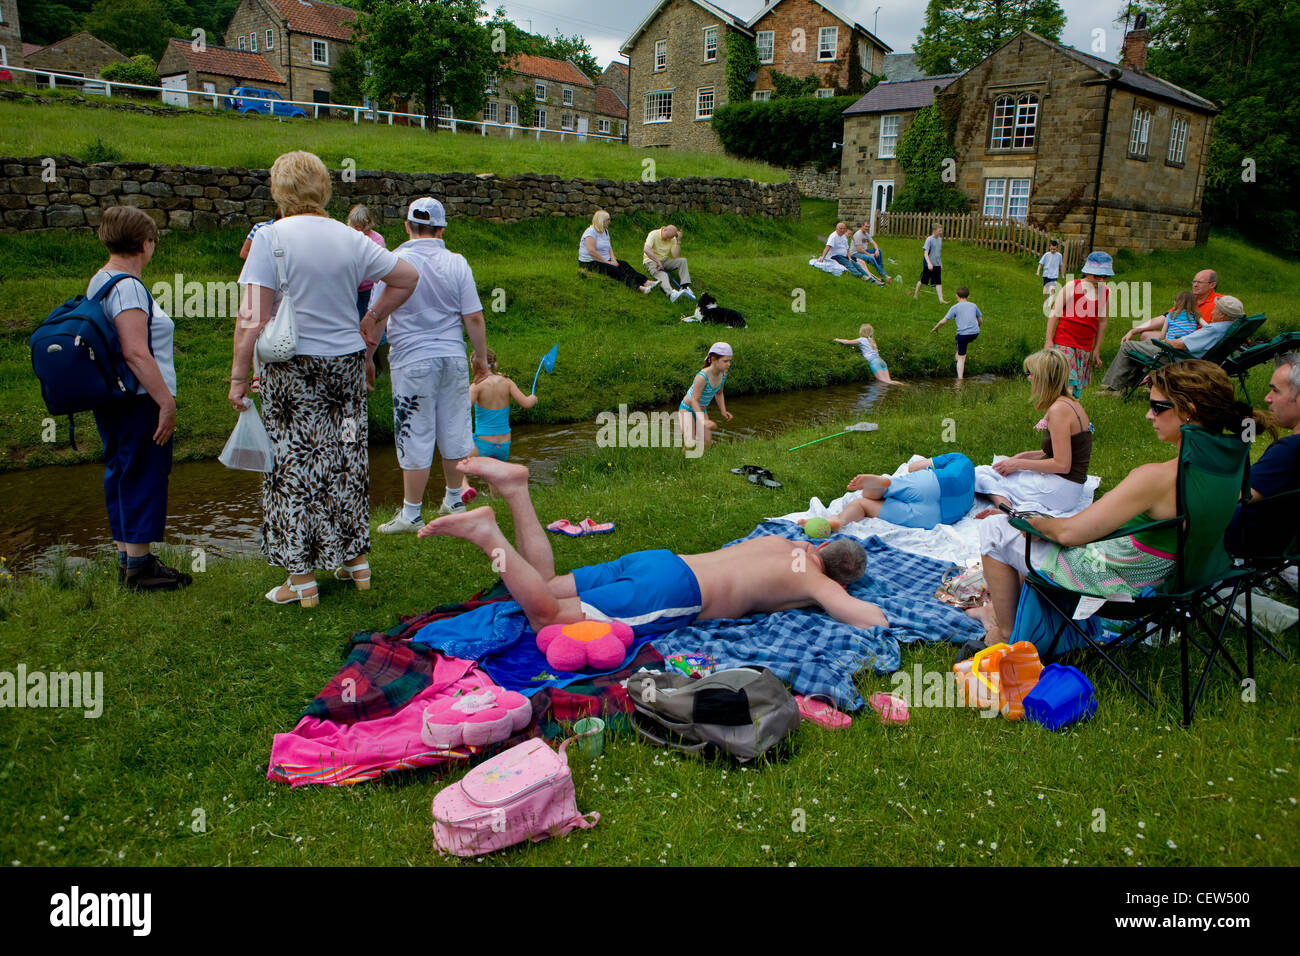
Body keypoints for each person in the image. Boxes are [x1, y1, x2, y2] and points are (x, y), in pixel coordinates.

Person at [230, 150, 418, 607]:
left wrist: (238, 377)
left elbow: (251, 320)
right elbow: (407, 276)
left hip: (290, 368)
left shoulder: (270, 239)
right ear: (324, 189)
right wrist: (372, 320)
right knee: (345, 460)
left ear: (279, 190)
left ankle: (302, 579)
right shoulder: (350, 237)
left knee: (291, 466)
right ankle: (356, 563)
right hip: (345, 367)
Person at [419, 457, 890, 633]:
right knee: (546, 617)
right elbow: (860, 615)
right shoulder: (811, 578)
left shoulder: (780, 540)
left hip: (659, 560)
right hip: (674, 593)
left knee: (546, 584)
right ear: (834, 573)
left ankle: (517, 489)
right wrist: (875, 611)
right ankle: (487, 533)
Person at [971, 360, 1262, 644]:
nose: (1149, 415)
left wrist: (1029, 523)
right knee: (1037, 534)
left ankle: (1005, 636)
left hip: (1116, 586)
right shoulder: (1231, 469)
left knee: (996, 528)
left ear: (1188, 412)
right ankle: (1024, 619)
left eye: (1158, 407)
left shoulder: (1157, 479)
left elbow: (1068, 534)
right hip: (1178, 582)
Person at [364, 196, 490, 533]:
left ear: (407, 226)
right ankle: (453, 497)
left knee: (414, 431)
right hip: (451, 357)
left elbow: (376, 316)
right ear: (442, 228)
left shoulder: (392, 262)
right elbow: (474, 317)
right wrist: (480, 357)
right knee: (454, 426)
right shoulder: (457, 262)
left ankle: (411, 513)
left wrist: (367, 358)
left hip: (412, 359)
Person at [88, 206, 189, 591]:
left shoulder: (100, 279)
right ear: (145, 244)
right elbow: (135, 351)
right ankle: (141, 569)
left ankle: (127, 559)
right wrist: (165, 401)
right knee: (144, 474)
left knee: (121, 472)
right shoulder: (128, 286)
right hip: (139, 398)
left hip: (113, 397)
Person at [973, 349, 1094, 517]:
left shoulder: (1059, 410)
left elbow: (1062, 465)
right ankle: (1008, 506)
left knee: (980, 474)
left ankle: (1007, 510)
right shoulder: (1070, 403)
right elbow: (1054, 452)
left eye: (1031, 373)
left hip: (1061, 491)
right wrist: (1021, 457)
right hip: (1070, 486)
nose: (1028, 377)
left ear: (1043, 377)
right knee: (999, 466)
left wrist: (1018, 464)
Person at [1095, 295, 1245, 395]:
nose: (1212, 311)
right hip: (1194, 358)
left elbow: (1180, 345)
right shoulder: (1226, 329)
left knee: (1129, 347)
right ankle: (1129, 382)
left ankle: (1113, 389)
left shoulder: (1213, 329)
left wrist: (1165, 341)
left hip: (1180, 359)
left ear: (1223, 315)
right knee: (1145, 345)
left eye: (1216, 309)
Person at [1225, 353, 1300, 554]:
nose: (1267, 398)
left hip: (1250, 549)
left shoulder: (1289, 452)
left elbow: (1232, 498)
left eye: (1275, 391)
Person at [805, 453, 975, 532]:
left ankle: (881, 486)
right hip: (937, 517)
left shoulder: (959, 458)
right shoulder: (970, 494)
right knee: (864, 505)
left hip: (934, 484)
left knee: (871, 495)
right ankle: (841, 519)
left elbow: (913, 467)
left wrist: (929, 462)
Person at [1045, 250, 1112, 398]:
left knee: (1075, 391)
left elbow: (1102, 321)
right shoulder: (1072, 286)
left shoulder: (1106, 292)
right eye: (1097, 276)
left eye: (1105, 277)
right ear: (1087, 272)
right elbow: (1054, 312)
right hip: (1065, 340)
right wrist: (1049, 339)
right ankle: (1055, 417)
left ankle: (1067, 417)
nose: (1100, 280)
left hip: (1084, 345)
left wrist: (1097, 349)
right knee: (1068, 382)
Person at [470, 348, 538, 462]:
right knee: (494, 476)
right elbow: (526, 403)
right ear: (495, 364)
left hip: (482, 444)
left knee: (457, 467)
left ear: (474, 366)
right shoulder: (507, 382)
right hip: (504, 445)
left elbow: (462, 410)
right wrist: (533, 399)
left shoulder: (476, 386)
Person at [579, 210, 657, 293]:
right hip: (590, 262)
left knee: (624, 264)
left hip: (605, 259)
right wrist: (607, 262)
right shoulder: (591, 232)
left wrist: (613, 259)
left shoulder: (605, 231)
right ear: (601, 220)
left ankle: (646, 282)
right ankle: (638, 287)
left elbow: (609, 247)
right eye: (608, 220)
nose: (609, 221)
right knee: (615, 270)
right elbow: (591, 252)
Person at [678, 342, 733, 453]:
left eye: (730, 361)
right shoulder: (702, 377)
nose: (729, 364)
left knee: (707, 443)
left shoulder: (723, 374)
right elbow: (694, 400)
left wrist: (723, 411)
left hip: (702, 410)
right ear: (713, 359)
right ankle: (681, 464)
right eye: (725, 361)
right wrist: (703, 420)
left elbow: (719, 393)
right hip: (687, 409)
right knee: (690, 442)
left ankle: (700, 464)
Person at [931, 286, 982, 379]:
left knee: (962, 357)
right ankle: (958, 354)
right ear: (968, 296)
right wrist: (978, 327)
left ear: (956, 296)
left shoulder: (955, 307)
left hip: (963, 335)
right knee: (959, 340)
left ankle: (960, 380)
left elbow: (944, 321)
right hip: (975, 333)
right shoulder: (974, 305)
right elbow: (980, 319)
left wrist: (935, 328)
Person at [348, 204, 388, 323]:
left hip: (369, 287)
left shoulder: (377, 240)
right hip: (352, 286)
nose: (356, 229)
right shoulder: (347, 237)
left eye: (358, 226)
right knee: (355, 317)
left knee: (370, 317)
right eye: (353, 226)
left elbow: (379, 263)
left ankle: (380, 339)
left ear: (366, 225)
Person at [1123, 290, 1200, 344]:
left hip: (1170, 348)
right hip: (1186, 349)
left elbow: (1161, 337)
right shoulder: (1196, 317)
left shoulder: (1170, 316)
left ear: (1176, 302)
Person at [643, 224, 692, 301]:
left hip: (664, 261)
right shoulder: (653, 234)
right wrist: (657, 261)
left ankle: (684, 287)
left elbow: (675, 256)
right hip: (651, 261)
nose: (668, 239)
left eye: (671, 238)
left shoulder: (672, 239)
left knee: (682, 261)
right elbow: (646, 249)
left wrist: (678, 241)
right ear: (664, 229)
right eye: (667, 237)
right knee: (663, 275)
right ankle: (670, 293)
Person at [909, 222, 945, 303]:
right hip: (928, 264)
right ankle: (916, 295)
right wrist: (929, 263)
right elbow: (925, 253)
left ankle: (941, 299)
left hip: (937, 264)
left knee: (938, 282)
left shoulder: (940, 239)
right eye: (939, 231)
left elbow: (938, 253)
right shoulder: (929, 240)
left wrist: (940, 263)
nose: (941, 232)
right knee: (922, 281)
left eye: (941, 231)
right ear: (934, 230)